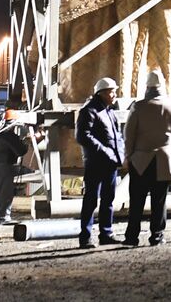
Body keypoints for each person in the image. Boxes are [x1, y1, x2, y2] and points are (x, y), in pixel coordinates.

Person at [122, 69, 171, 247]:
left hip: (141, 160)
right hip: (164, 160)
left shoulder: (138, 107)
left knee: (136, 201)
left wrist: (128, 156)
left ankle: (131, 237)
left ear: (147, 87)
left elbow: (129, 135)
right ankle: (157, 236)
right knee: (159, 201)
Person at [75, 77, 124, 248]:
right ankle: (86, 237)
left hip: (110, 163)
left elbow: (117, 136)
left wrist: (119, 156)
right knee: (91, 200)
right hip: (96, 163)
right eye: (111, 91)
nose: (114, 94)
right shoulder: (89, 111)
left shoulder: (108, 111)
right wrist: (105, 152)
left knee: (108, 199)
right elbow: (83, 136)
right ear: (101, 93)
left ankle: (106, 233)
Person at [0, 118, 28, 225]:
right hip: (6, 166)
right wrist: (26, 141)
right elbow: (21, 151)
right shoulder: (10, 137)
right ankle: (4, 216)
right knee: (6, 192)